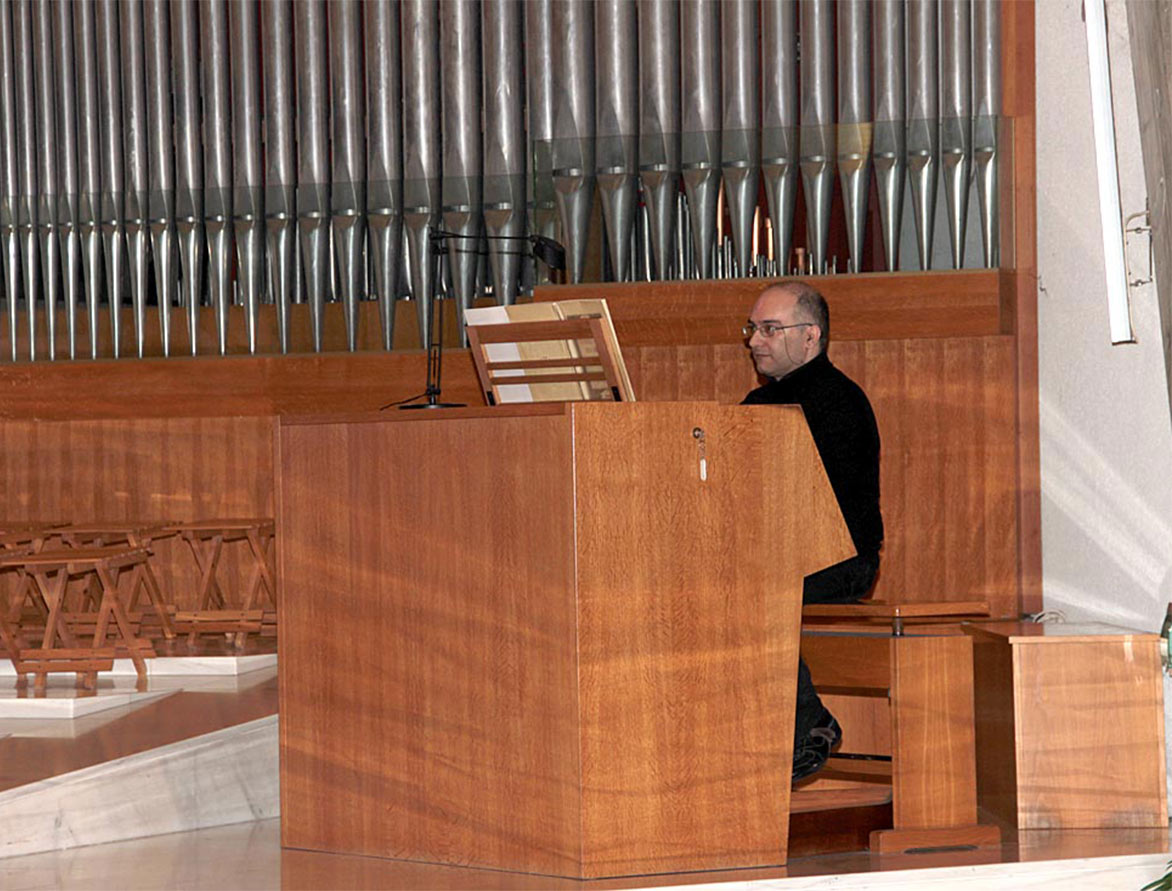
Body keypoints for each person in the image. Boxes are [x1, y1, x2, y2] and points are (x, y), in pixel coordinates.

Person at [741, 281, 884, 782]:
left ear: (810, 336)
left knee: (747, 594)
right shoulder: (765, 405)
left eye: (770, 329)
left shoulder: (838, 402)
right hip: (790, 558)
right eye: (753, 329)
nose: (757, 341)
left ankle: (808, 723)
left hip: (841, 562)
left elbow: (821, 511)